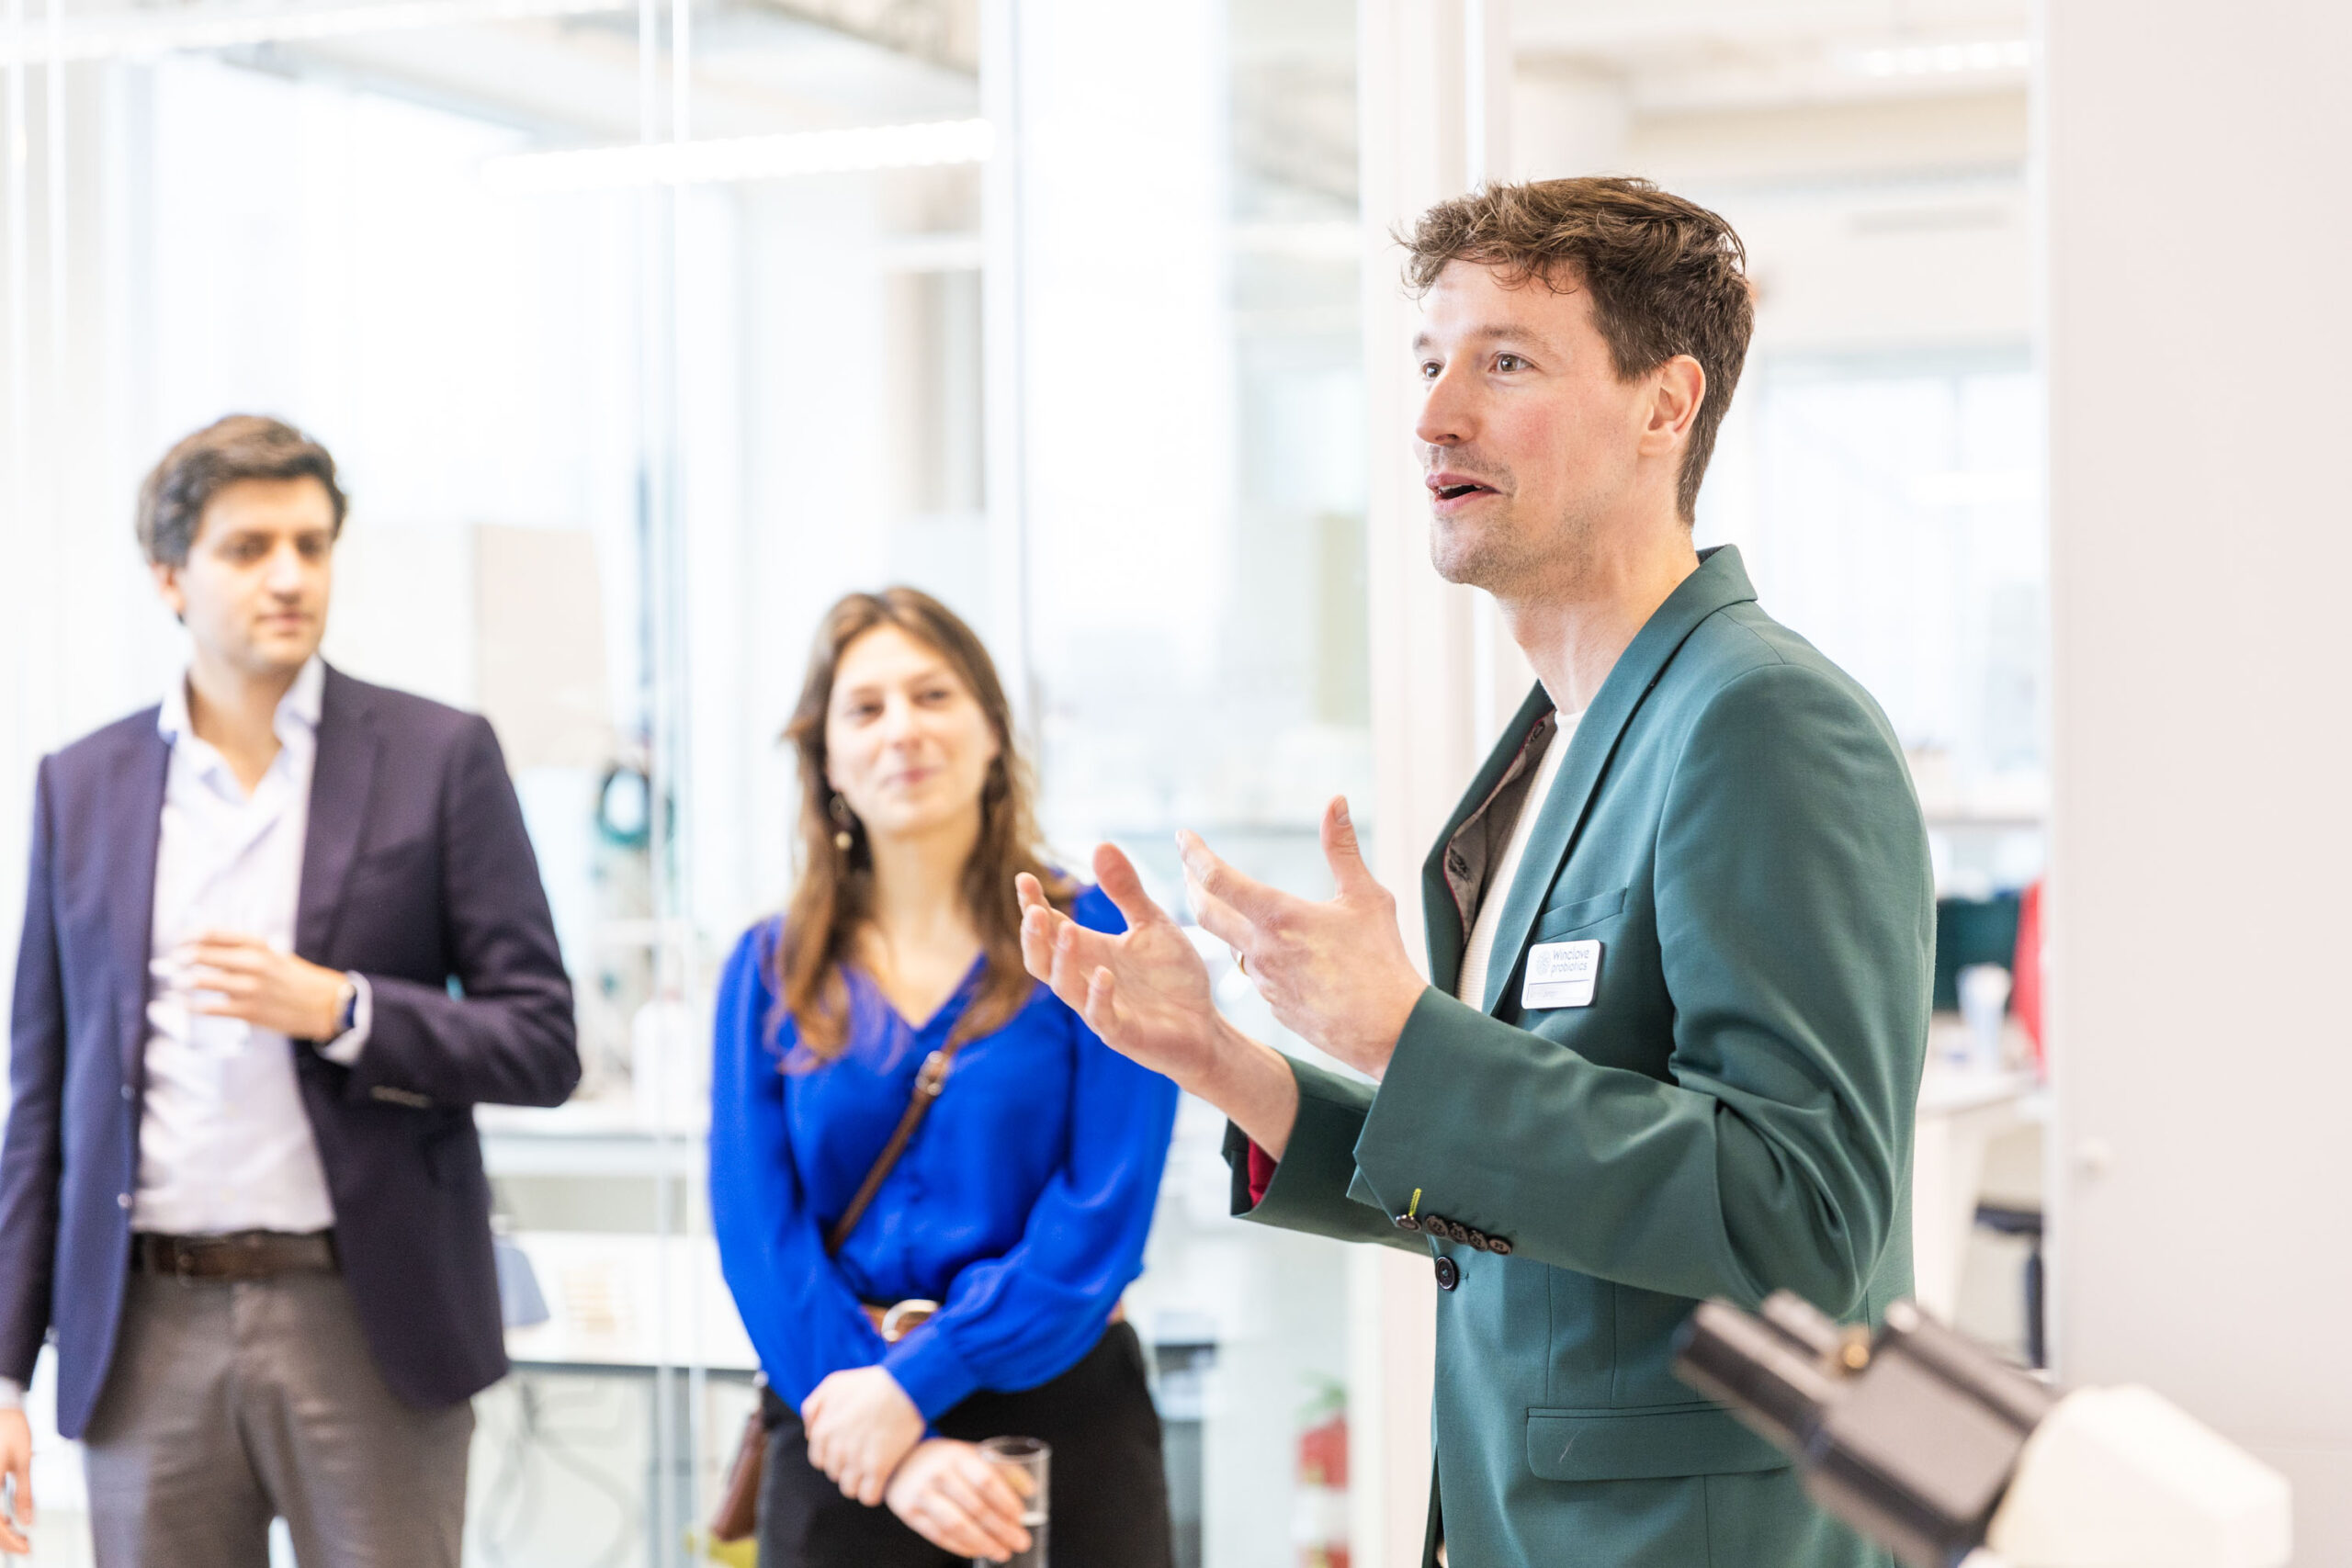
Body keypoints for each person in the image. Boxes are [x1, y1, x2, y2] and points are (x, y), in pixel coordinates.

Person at [1018, 177, 1932, 1567]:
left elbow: (1801, 1214)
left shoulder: (1760, 719)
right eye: (1431, 362)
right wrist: (1231, 1059)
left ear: (1664, 406)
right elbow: (1527, 1180)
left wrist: (1401, 1031)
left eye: (1506, 361)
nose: (1438, 413)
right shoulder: (1549, 748)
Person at [0, 415, 579, 1566]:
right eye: (249, 547)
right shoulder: (85, 785)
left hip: (366, 1314)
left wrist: (345, 1012)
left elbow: (541, 1041)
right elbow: (41, 1100)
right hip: (144, 1323)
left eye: (312, 547)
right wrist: (5, 1365)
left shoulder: (437, 756)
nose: (290, 577)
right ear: (169, 575)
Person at [709, 588, 1179, 1568]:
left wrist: (918, 1385)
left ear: (992, 733)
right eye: (866, 708)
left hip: (1059, 1418)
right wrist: (890, 1436)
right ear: (825, 756)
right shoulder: (766, 967)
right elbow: (758, 1235)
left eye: (933, 696)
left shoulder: (1094, 937)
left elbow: (1104, 1214)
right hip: (835, 1408)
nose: (903, 731)